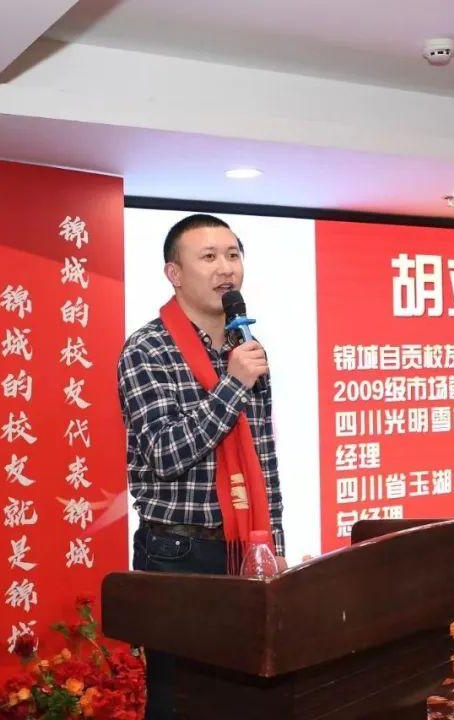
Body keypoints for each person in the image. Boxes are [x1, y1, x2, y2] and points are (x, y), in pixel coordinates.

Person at [116, 213, 285, 720]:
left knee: (243, 698)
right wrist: (233, 385)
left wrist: (273, 544)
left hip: (246, 547)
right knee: (180, 700)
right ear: (174, 273)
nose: (225, 268)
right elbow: (164, 453)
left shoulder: (244, 348)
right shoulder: (147, 349)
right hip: (178, 554)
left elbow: (262, 456)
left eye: (232, 255)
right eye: (208, 257)